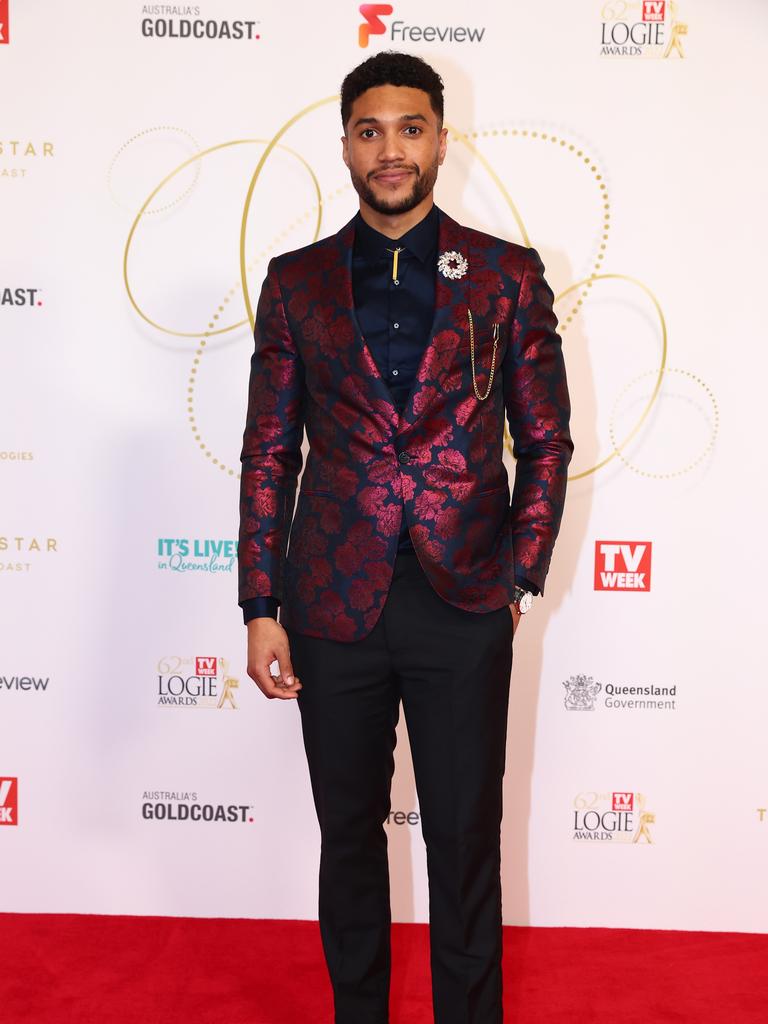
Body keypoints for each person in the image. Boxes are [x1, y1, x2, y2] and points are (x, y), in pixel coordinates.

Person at [238, 51, 573, 1024]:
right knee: (349, 841)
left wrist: (515, 574)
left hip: (462, 602)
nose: (392, 150)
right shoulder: (295, 282)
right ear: (345, 141)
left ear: (440, 137)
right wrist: (261, 604)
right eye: (371, 129)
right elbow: (268, 450)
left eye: (411, 128)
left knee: (465, 843)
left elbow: (545, 439)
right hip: (331, 601)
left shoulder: (504, 275)